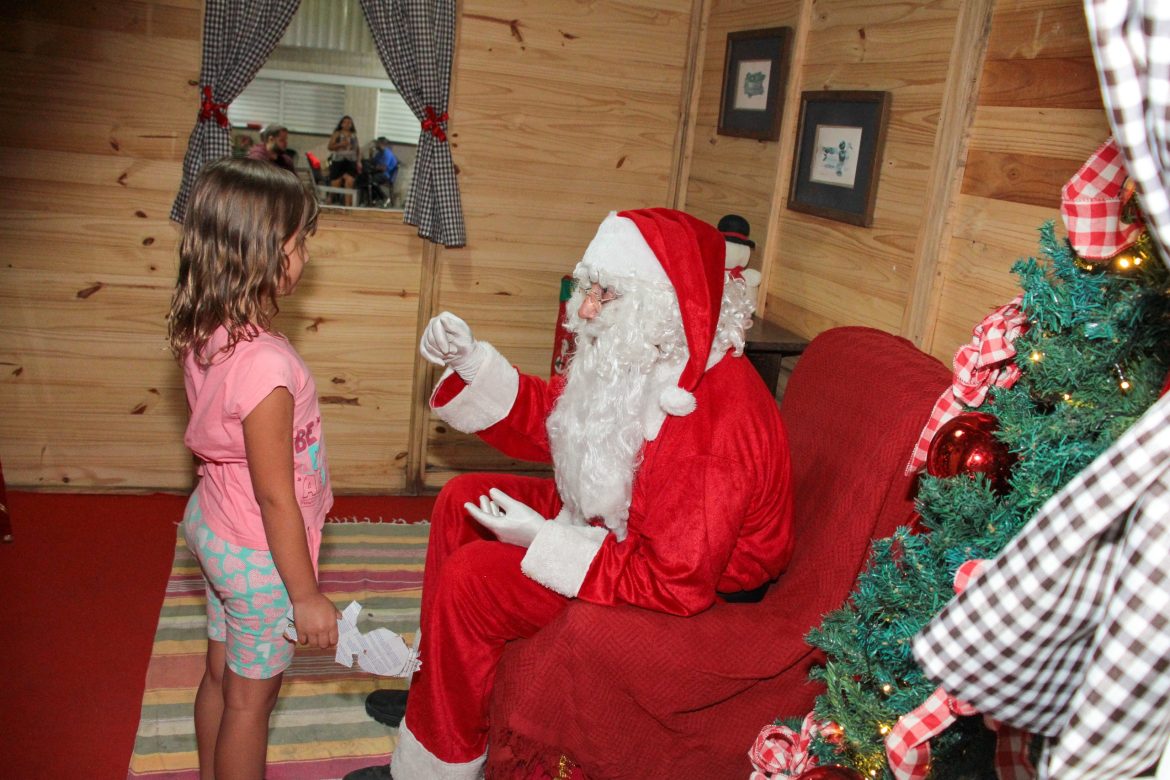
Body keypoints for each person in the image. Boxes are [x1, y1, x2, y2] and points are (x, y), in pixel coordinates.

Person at [348, 208, 795, 779]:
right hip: (618, 529)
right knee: (462, 499)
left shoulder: (713, 420)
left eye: (605, 294)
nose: (583, 308)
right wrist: (473, 362)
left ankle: (439, 764)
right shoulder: (650, 351)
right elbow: (562, 417)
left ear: (662, 302)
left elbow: (675, 581)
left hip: (677, 584)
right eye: (589, 286)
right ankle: (437, 695)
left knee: (475, 580)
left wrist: (544, 539)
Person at [167, 157, 338, 780]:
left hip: (214, 525)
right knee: (250, 702)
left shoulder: (207, 326)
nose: (307, 255)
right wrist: (306, 595)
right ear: (264, 255)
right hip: (259, 554)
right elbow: (274, 498)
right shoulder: (266, 368)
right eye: (300, 242)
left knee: (220, 673)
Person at [327, 115, 362, 189]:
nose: (347, 124)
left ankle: (347, 200)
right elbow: (330, 147)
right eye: (345, 122)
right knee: (336, 183)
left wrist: (359, 161)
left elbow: (358, 149)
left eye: (349, 123)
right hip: (338, 161)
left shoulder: (353, 135)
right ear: (341, 124)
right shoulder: (337, 133)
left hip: (351, 161)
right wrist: (340, 144)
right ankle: (330, 198)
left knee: (350, 182)